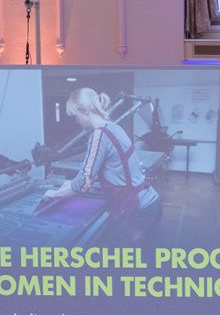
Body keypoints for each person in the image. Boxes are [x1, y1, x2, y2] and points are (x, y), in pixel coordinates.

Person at [40, 87, 162, 241]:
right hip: (150, 205)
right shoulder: (114, 127)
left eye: (75, 116)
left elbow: (83, 183)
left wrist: (54, 195)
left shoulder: (99, 134)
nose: (76, 121)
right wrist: (68, 184)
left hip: (138, 212)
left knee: (119, 260)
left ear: (85, 111)